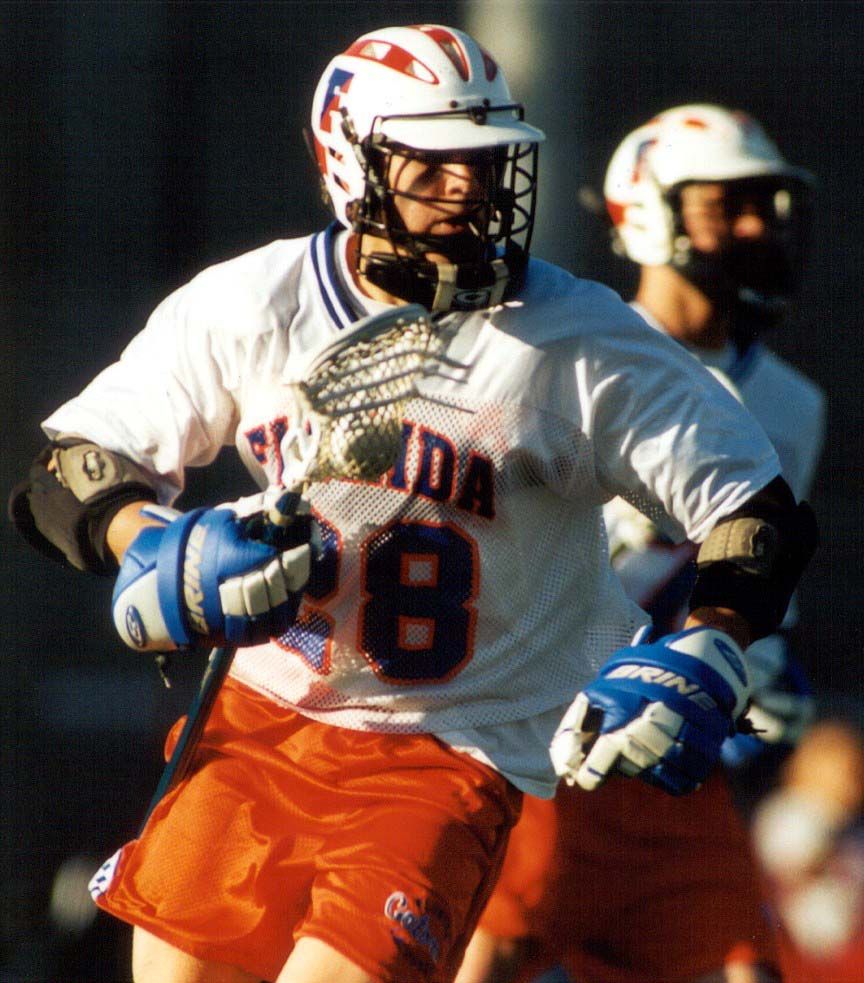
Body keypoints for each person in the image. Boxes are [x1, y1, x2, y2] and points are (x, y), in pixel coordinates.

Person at [9, 32, 817, 983]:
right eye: (434, 167)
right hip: (255, 723)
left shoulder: (582, 338)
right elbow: (72, 468)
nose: (469, 191)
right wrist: (152, 542)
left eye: (486, 163)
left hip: (448, 749)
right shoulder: (256, 300)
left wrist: (715, 640)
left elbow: (756, 514)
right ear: (350, 163)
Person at [457, 104, 825, 983]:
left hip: (672, 758)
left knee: (742, 970)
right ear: (651, 211)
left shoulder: (791, 402)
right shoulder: (572, 354)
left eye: (765, 204)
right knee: (487, 956)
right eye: (727, 204)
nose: (755, 227)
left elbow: (752, 582)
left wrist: (757, 661)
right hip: (547, 740)